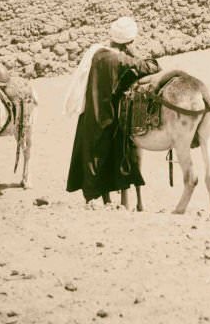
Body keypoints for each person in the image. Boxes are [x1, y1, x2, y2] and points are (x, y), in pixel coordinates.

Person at [65, 17, 159, 206]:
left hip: (90, 116)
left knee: (93, 156)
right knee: (111, 154)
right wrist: (135, 53)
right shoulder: (119, 59)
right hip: (107, 117)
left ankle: (100, 199)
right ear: (128, 42)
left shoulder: (97, 53)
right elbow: (152, 67)